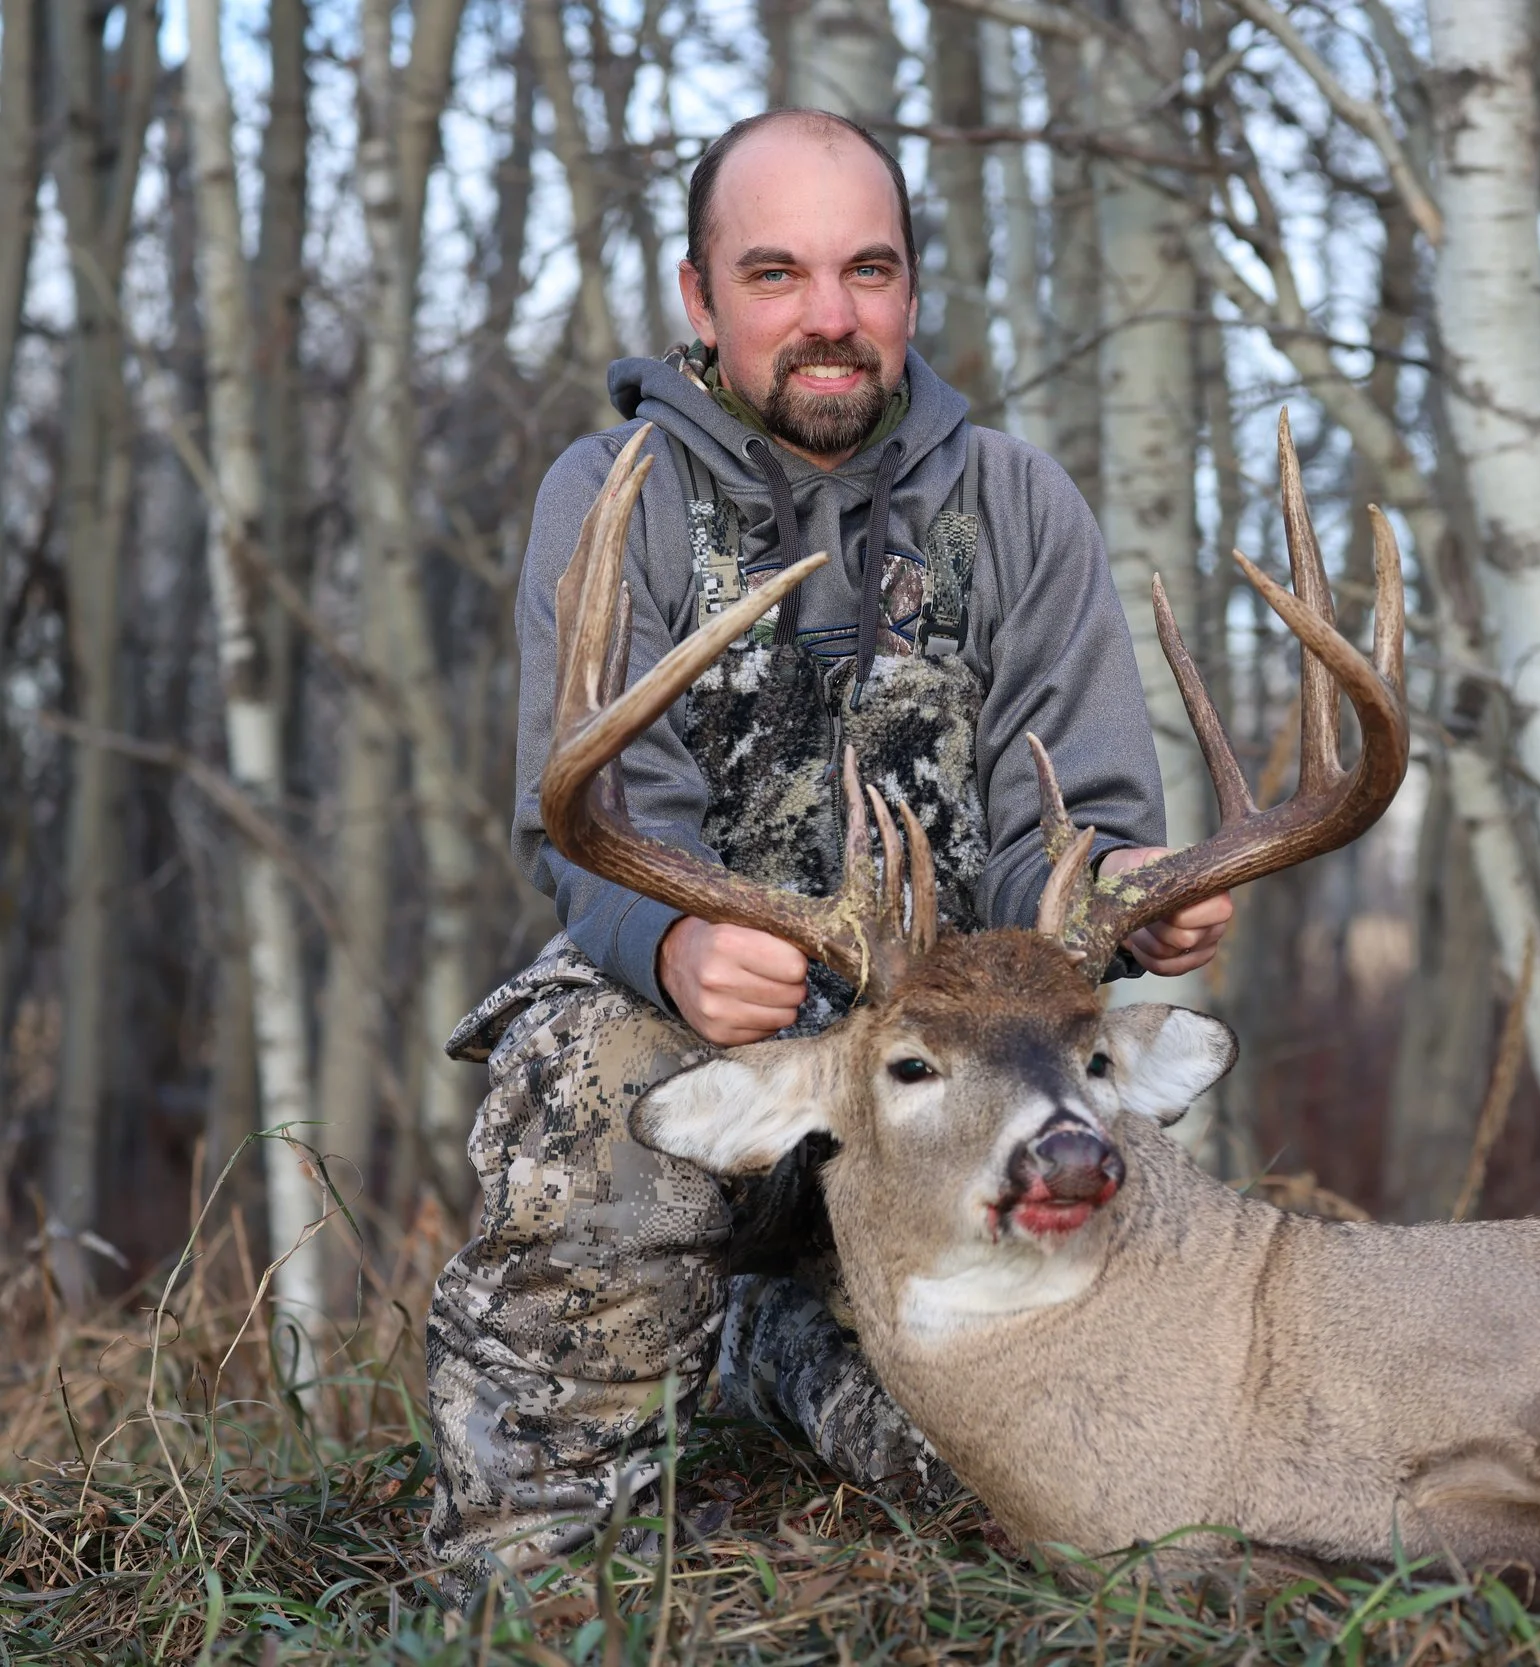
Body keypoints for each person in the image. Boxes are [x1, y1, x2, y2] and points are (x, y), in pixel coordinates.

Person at [422, 106, 1232, 1599]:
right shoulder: (615, 499)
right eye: (777, 273)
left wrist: (1123, 907)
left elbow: (1079, 816)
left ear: (912, 287)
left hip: (944, 1085)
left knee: (1056, 1482)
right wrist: (669, 942)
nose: (831, 319)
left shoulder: (1014, 505)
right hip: (705, 1042)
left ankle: (780, 1345)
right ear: (700, 298)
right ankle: (532, 1564)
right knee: (592, 1081)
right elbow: (588, 819)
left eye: (869, 270)